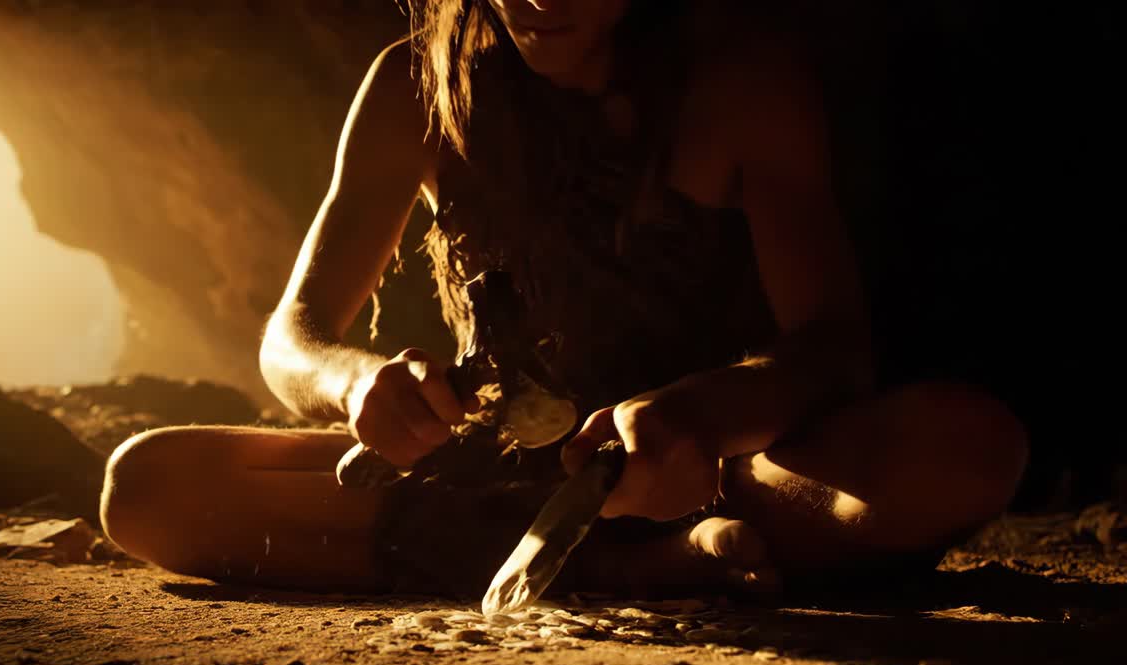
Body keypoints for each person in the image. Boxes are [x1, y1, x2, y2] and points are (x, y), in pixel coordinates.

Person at [99, 0, 1028, 597]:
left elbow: (833, 348)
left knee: (965, 448)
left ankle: (632, 546)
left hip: (709, 470)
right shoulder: (413, 86)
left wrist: (696, 415)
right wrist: (355, 386)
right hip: (484, 474)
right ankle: (653, 572)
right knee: (147, 485)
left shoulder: (742, 83)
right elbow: (292, 339)